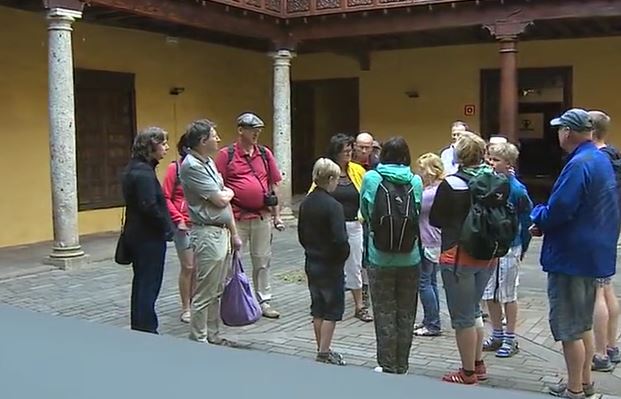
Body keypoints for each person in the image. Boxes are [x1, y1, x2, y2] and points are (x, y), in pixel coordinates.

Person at [530, 109, 619, 399]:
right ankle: (585, 382)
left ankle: (574, 389)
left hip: (571, 256)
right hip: (593, 253)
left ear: (567, 132)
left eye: (559, 129)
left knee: (569, 327)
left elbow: (560, 208)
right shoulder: (599, 158)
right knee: (583, 324)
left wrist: (538, 216)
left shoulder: (579, 163)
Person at [430, 132, 496, 384]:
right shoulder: (494, 179)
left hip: (457, 255)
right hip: (488, 254)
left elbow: (436, 218)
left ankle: (467, 372)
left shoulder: (452, 184)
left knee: (463, 317)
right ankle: (478, 364)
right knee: (474, 309)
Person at [360, 136, 423, 374]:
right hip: (411, 256)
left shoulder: (371, 178)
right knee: (406, 312)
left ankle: (387, 364)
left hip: (380, 256)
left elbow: (365, 212)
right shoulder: (415, 180)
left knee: (384, 311)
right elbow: (416, 212)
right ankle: (402, 364)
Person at [214, 112, 284, 319]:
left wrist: (277, 215)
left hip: (262, 216)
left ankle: (264, 300)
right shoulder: (226, 155)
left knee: (262, 260)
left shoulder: (264, 153)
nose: (256, 134)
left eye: (258, 130)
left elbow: (274, 184)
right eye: (252, 129)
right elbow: (218, 186)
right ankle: (231, 300)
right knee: (232, 260)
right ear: (240, 130)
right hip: (236, 217)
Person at [180, 119, 243, 346]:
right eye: (214, 136)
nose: (218, 139)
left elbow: (224, 203)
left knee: (217, 290)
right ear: (202, 141)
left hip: (221, 232)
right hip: (207, 233)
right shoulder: (192, 166)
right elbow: (219, 199)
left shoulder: (208, 162)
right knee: (205, 292)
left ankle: (213, 335)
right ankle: (199, 339)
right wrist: (229, 192)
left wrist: (234, 233)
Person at [309, 134, 371, 322]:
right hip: (330, 227)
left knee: (355, 265)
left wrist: (363, 215)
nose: (349, 154)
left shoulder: (358, 170)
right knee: (330, 266)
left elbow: (366, 194)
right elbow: (315, 195)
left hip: (353, 224)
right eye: (345, 151)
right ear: (336, 153)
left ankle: (359, 305)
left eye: (351, 150)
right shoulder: (326, 170)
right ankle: (325, 306)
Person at [481, 142, 533, 358]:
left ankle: (511, 338)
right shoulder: (487, 182)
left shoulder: (517, 189)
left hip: (510, 247)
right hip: (490, 247)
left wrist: (522, 247)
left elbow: (526, 219)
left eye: (496, 160)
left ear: (509, 164)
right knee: (489, 294)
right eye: (490, 158)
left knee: (507, 294)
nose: (491, 163)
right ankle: (497, 334)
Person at [298, 158, 350, 366]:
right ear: (330, 178)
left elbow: (301, 234)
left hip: (312, 260)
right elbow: (340, 239)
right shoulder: (334, 206)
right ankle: (324, 351)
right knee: (333, 309)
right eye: (336, 178)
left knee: (318, 306)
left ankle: (321, 348)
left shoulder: (306, 202)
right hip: (331, 263)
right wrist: (342, 257)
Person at [121, 126, 173, 334]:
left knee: (142, 281)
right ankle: (146, 328)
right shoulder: (142, 172)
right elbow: (148, 205)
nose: (166, 148)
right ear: (151, 146)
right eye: (163, 143)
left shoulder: (137, 168)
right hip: (147, 237)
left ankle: (140, 325)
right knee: (148, 284)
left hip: (138, 234)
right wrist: (165, 226)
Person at [588, 110, 620, 371]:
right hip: (611, 225)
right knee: (607, 286)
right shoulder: (614, 154)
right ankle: (612, 345)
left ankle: (599, 353)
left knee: (598, 290)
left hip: (597, 226)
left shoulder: (595, 159)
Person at [162, 133, 195, 323]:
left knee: (199, 268)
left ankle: (196, 302)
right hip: (182, 225)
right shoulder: (174, 168)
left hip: (200, 223)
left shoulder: (204, 167)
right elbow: (166, 197)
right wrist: (178, 218)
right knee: (188, 266)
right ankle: (186, 307)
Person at [413, 153, 444, 337]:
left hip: (429, 241)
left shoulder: (431, 193)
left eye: (423, 169)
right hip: (435, 240)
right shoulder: (438, 188)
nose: (420, 173)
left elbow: (416, 208)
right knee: (431, 282)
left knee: (424, 283)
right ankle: (431, 320)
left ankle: (432, 323)